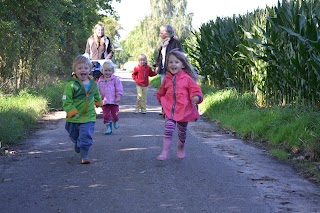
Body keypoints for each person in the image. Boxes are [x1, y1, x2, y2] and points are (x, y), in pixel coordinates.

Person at [156, 50, 203, 161]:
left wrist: (196, 98)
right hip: (170, 111)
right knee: (169, 129)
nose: (173, 64)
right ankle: (165, 152)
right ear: (167, 65)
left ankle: (181, 146)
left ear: (182, 65)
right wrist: (161, 100)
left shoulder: (187, 79)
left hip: (183, 111)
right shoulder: (167, 79)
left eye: (176, 62)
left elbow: (196, 91)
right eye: (170, 62)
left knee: (182, 133)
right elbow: (161, 92)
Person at [62, 55, 103, 164]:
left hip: (89, 117)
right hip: (73, 118)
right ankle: (77, 142)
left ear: (90, 70)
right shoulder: (71, 85)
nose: (83, 70)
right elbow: (66, 100)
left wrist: (98, 102)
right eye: (80, 68)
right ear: (74, 70)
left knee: (85, 137)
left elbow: (96, 94)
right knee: (74, 136)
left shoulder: (93, 83)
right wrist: (71, 111)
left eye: (86, 68)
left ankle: (84, 155)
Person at [98, 60, 124, 135]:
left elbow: (119, 88)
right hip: (104, 101)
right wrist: (98, 98)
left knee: (114, 114)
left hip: (114, 101)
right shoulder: (100, 81)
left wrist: (118, 96)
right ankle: (108, 128)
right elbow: (98, 90)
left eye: (109, 70)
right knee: (106, 115)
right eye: (105, 70)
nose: (107, 72)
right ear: (102, 70)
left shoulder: (115, 79)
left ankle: (115, 120)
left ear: (112, 71)